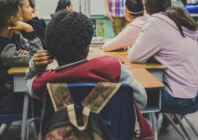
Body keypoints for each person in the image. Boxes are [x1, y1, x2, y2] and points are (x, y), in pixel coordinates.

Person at [25, 10, 153, 139]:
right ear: (86, 47)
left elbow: (28, 84)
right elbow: (141, 100)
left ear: (51, 51)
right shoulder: (112, 67)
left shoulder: (44, 81)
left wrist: (34, 65)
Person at [129, 0, 198, 110]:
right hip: (190, 92)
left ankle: (144, 128)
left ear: (145, 7)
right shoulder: (177, 18)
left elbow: (134, 56)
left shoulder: (156, 22)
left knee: (125, 94)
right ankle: (161, 122)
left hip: (176, 96)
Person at [0, 0, 43, 116]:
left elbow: (32, 53)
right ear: (13, 20)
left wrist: (27, 54)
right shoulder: (3, 49)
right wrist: (29, 28)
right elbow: (39, 57)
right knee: (46, 96)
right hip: (4, 99)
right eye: (20, 16)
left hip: (12, 90)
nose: (23, 20)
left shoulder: (13, 35)